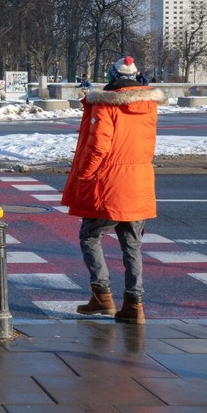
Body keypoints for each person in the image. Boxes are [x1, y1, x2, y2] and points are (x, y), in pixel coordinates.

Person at [62, 56, 164, 324]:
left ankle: (102, 295)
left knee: (89, 235)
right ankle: (134, 304)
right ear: (136, 75)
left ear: (111, 75)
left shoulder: (106, 107)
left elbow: (98, 146)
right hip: (139, 181)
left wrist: (84, 175)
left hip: (110, 182)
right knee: (132, 245)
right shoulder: (149, 105)